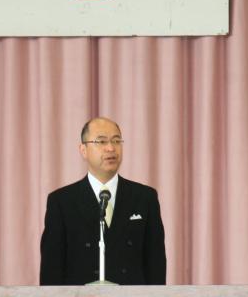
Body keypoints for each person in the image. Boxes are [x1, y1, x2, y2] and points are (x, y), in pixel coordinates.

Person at [39, 117, 166, 285]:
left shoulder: (145, 197)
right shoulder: (62, 202)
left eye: (116, 141)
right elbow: (51, 271)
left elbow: (156, 264)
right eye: (101, 141)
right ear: (83, 150)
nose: (111, 148)